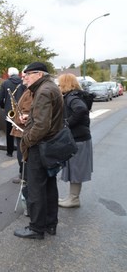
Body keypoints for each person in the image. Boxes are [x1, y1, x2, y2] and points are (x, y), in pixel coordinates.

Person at [15, 62, 63, 240]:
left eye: (29, 74)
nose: (25, 77)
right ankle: (50, 223)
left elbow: (42, 126)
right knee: (49, 186)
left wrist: (26, 142)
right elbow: (45, 118)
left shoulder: (43, 91)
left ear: (40, 74)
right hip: (49, 145)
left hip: (40, 146)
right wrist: (31, 117)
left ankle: (36, 228)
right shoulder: (49, 87)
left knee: (36, 188)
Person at [57, 73, 93, 208]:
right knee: (75, 168)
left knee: (76, 169)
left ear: (66, 84)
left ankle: (74, 199)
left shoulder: (72, 97)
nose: (58, 86)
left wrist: (67, 124)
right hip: (80, 138)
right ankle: (72, 197)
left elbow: (81, 109)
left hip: (78, 139)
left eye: (60, 84)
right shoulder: (76, 95)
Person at [0, 67, 25, 157]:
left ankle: (10, 151)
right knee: (21, 128)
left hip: (9, 110)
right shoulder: (23, 82)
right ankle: (21, 150)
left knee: (9, 130)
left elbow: (0, 98)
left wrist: (3, 107)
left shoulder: (5, 83)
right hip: (22, 109)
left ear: (9, 74)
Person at [10, 77, 33, 184]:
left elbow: (27, 110)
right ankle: (23, 175)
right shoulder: (26, 90)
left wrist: (21, 118)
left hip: (22, 129)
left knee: (22, 155)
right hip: (20, 128)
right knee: (21, 155)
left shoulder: (30, 92)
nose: (22, 78)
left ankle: (26, 177)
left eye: (25, 76)